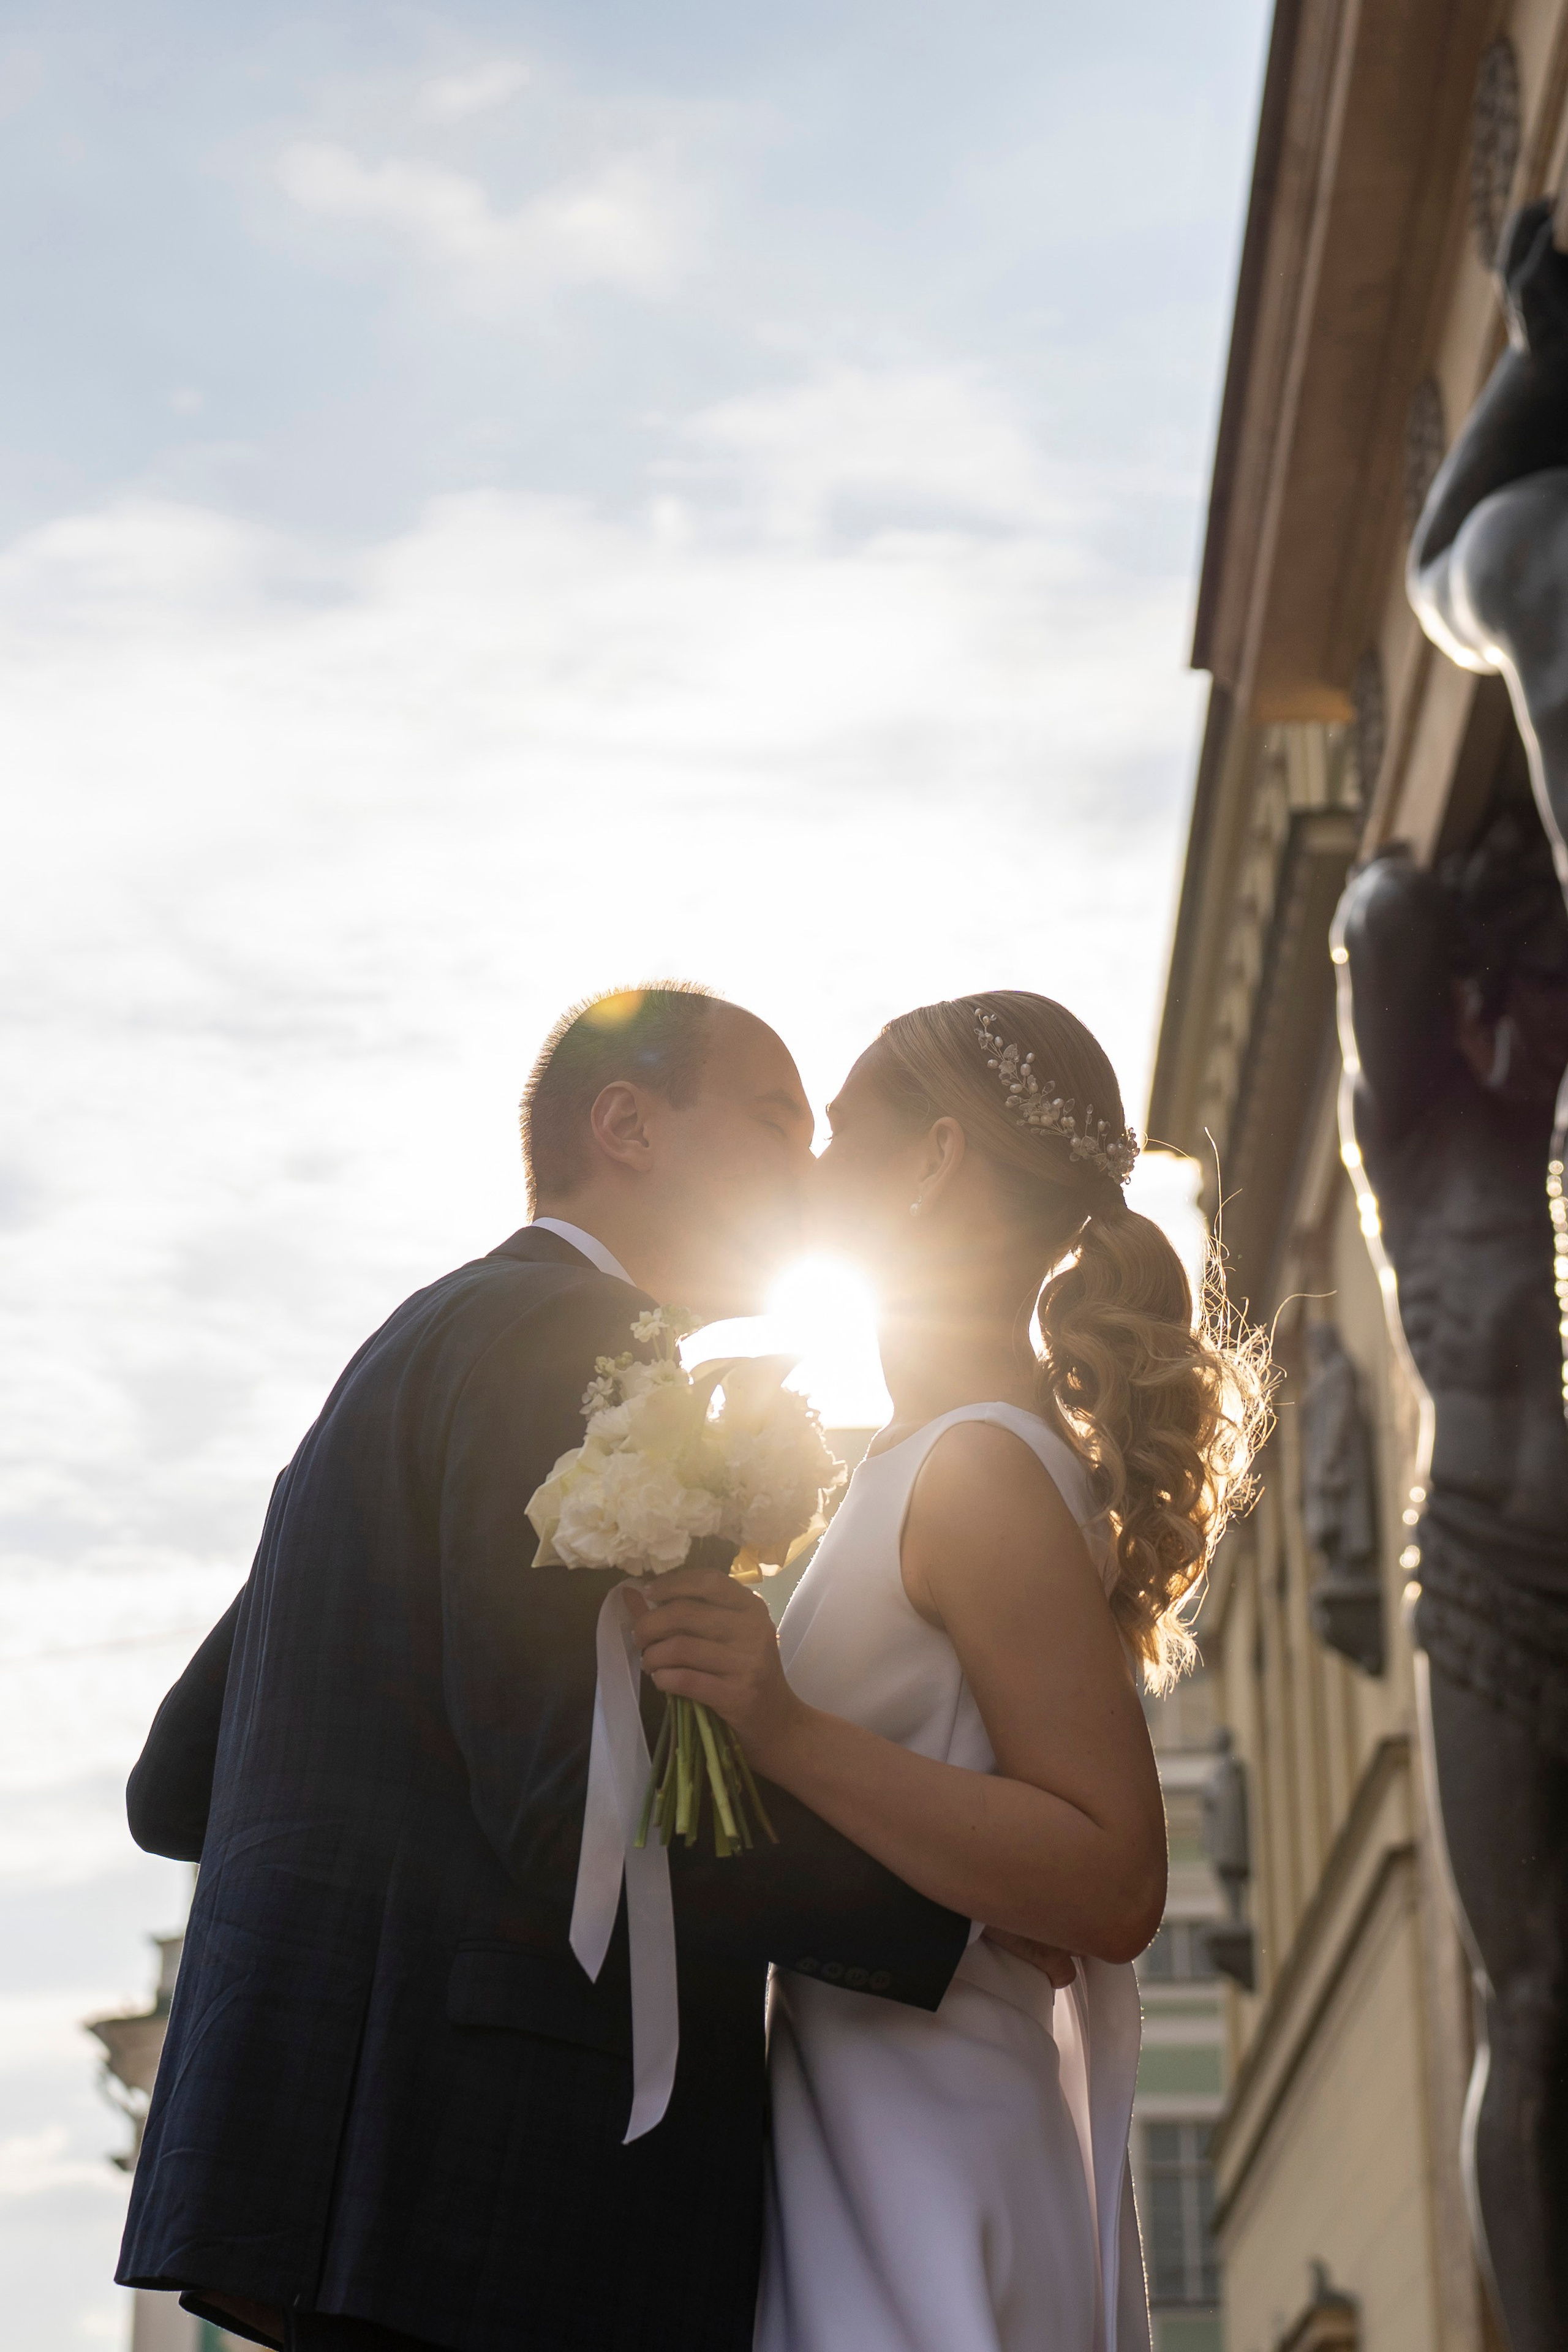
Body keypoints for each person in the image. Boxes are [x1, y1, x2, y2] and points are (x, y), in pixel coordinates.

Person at [118, 984, 979, 2352]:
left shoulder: (407, 1354)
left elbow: (174, 1786)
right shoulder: (568, 1345)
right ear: (626, 1126)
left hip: (362, 2194)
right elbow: (568, 1804)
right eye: (770, 1120)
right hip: (511, 2183)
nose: (809, 1171)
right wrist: (948, 1909)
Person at [632, 992, 1268, 2352]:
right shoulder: (932, 1458)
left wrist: (780, 1723)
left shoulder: (974, 1469)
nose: (806, 1164)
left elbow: (1111, 1877)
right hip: (869, 2122)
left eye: (843, 1130)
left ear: (929, 1162)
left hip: (929, 2148)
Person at [1335, 823, 1568, 2352]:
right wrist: (1429, 893)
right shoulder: (1415, 1140)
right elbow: (1372, 922)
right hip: (1483, 1576)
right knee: (1532, 2002)